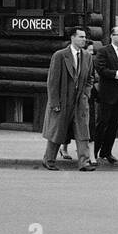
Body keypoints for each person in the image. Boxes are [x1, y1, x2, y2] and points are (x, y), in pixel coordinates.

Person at [41, 25, 95, 171]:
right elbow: (52, 81)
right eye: (81, 37)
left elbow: (90, 78)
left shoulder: (87, 57)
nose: (84, 39)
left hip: (79, 100)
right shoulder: (60, 55)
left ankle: (84, 162)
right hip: (63, 99)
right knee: (57, 131)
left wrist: (85, 94)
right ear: (72, 37)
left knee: (82, 131)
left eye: (85, 37)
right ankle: (49, 160)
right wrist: (54, 102)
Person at [94, 24, 118, 165]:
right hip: (107, 94)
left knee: (113, 126)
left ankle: (107, 151)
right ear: (112, 36)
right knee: (102, 124)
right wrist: (117, 73)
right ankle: (95, 152)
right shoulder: (104, 51)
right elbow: (101, 69)